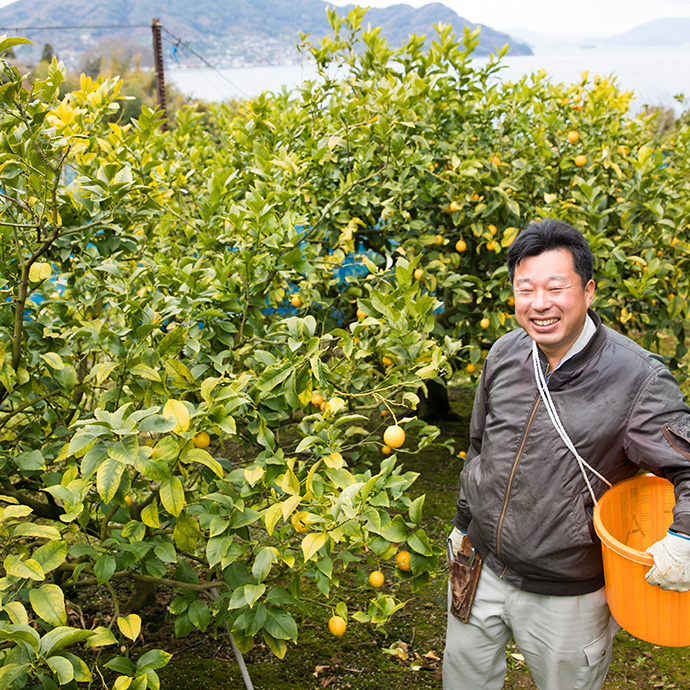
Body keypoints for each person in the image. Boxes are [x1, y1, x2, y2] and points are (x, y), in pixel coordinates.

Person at [443, 219, 690, 690]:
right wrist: (461, 525)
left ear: (589, 291)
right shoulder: (504, 354)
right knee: (463, 679)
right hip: (480, 564)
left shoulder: (637, 379)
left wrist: (685, 538)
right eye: (526, 289)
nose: (540, 304)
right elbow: (480, 448)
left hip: (566, 592)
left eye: (556, 287)